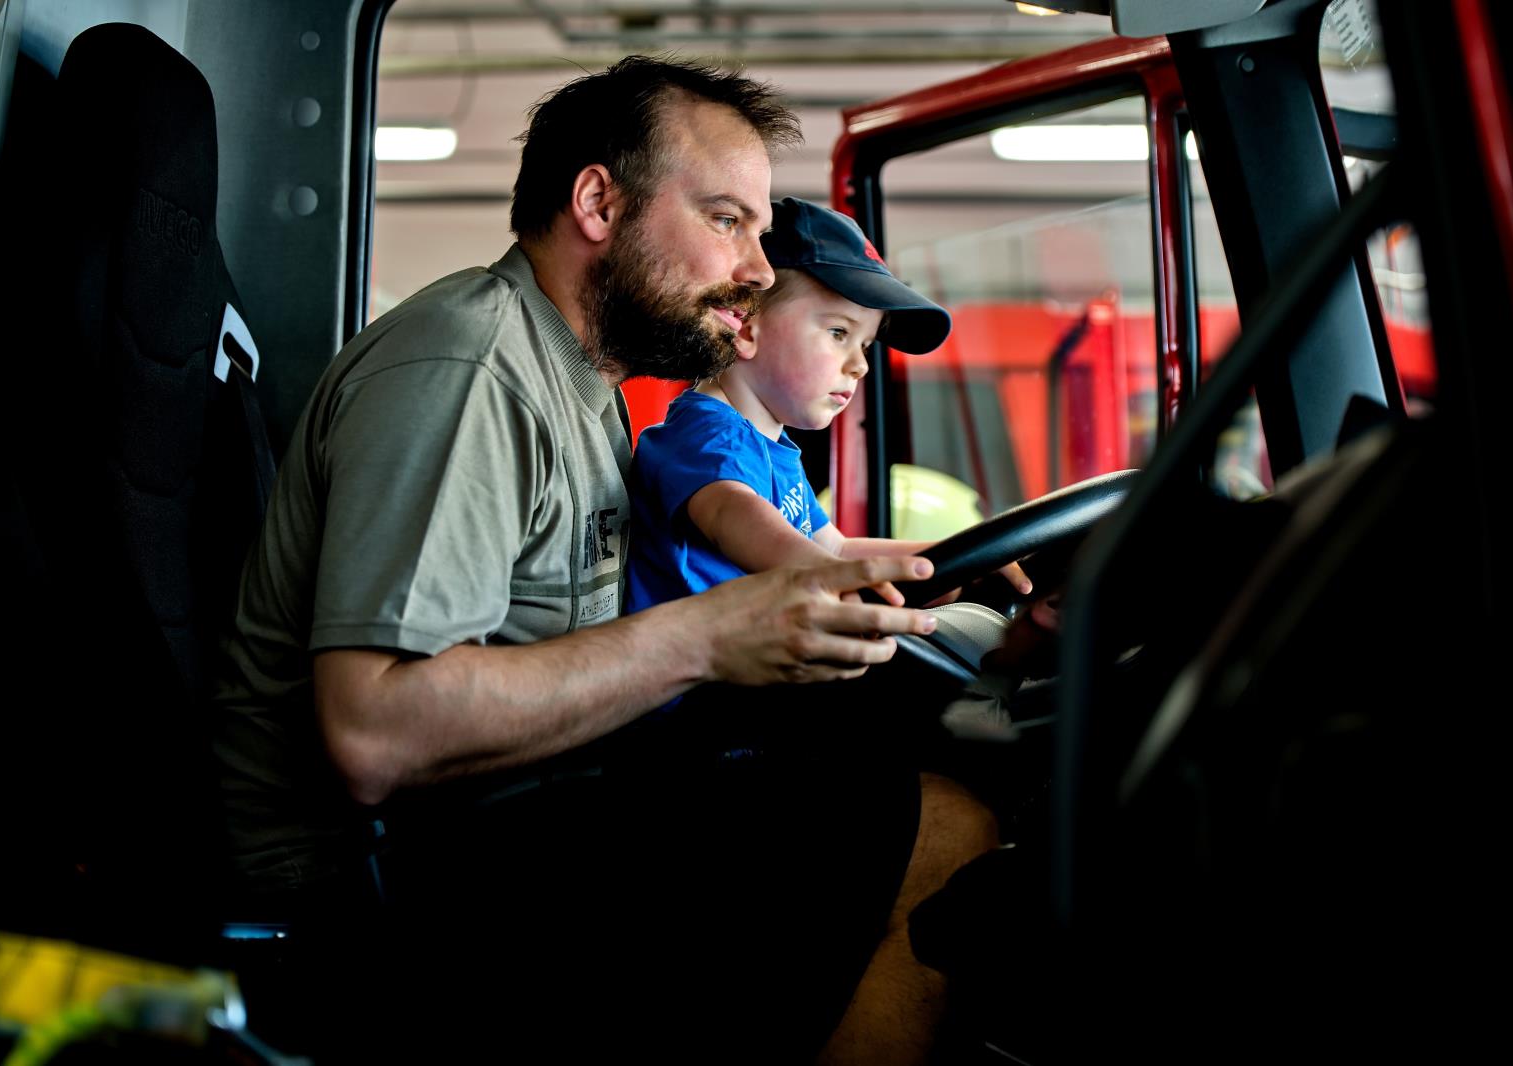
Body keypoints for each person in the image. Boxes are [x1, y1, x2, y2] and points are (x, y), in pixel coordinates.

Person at [211, 57, 997, 1063]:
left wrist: (938, 578)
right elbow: (374, 733)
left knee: (876, 785)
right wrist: (706, 639)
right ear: (597, 202)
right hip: (386, 891)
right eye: (726, 221)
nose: (758, 268)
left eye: (760, 233)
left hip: (510, 822)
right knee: (940, 828)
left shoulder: (583, 388)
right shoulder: (470, 370)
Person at [626, 196, 1030, 616]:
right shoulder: (707, 435)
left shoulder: (772, 445)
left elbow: (834, 546)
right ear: (745, 327)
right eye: (839, 332)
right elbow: (732, 516)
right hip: (699, 676)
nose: (860, 366)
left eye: (866, 345)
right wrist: (829, 579)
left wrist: (953, 558)